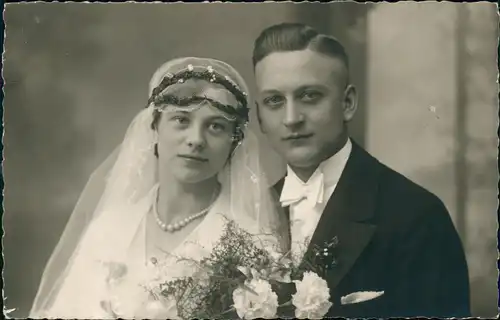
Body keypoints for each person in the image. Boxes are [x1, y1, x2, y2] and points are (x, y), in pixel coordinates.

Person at [29, 57, 287, 319]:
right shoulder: (109, 227)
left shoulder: (249, 242)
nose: (196, 140)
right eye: (181, 120)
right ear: (154, 128)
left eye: (216, 126)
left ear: (234, 144)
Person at [252, 23, 471, 318]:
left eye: (309, 96)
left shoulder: (416, 216)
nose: (291, 119)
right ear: (260, 118)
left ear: (348, 103)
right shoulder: (250, 215)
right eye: (275, 101)